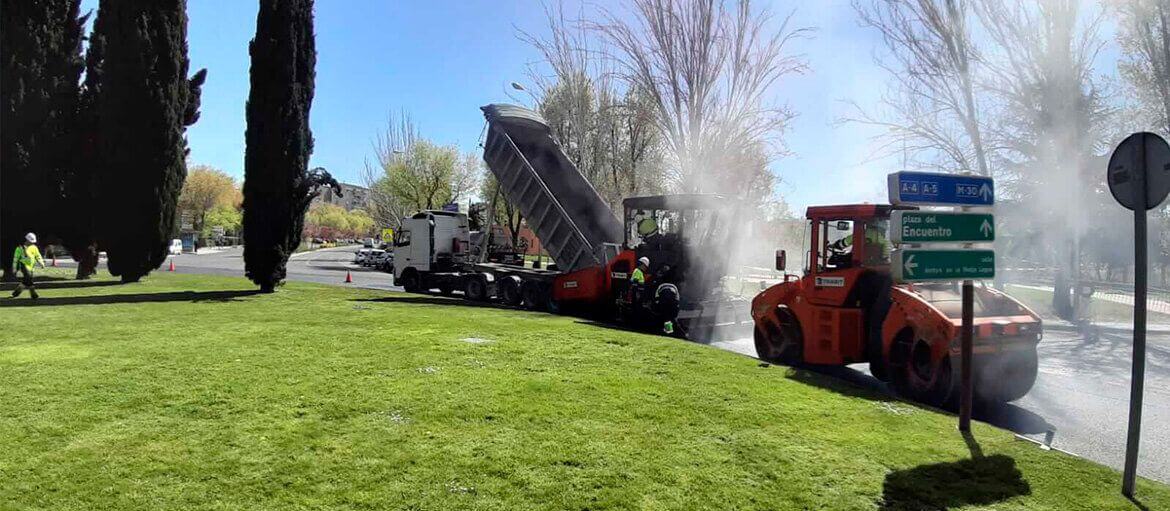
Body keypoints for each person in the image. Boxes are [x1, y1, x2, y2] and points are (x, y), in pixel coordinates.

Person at [11, 232, 46, 299]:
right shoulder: (19, 248)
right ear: (27, 240)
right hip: (23, 266)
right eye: (31, 241)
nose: (32, 243)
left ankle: (16, 292)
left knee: (26, 280)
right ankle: (33, 294)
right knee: (29, 277)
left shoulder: (34, 248)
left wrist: (41, 263)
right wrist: (14, 268)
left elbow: (38, 256)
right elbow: (15, 259)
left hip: (31, 267)